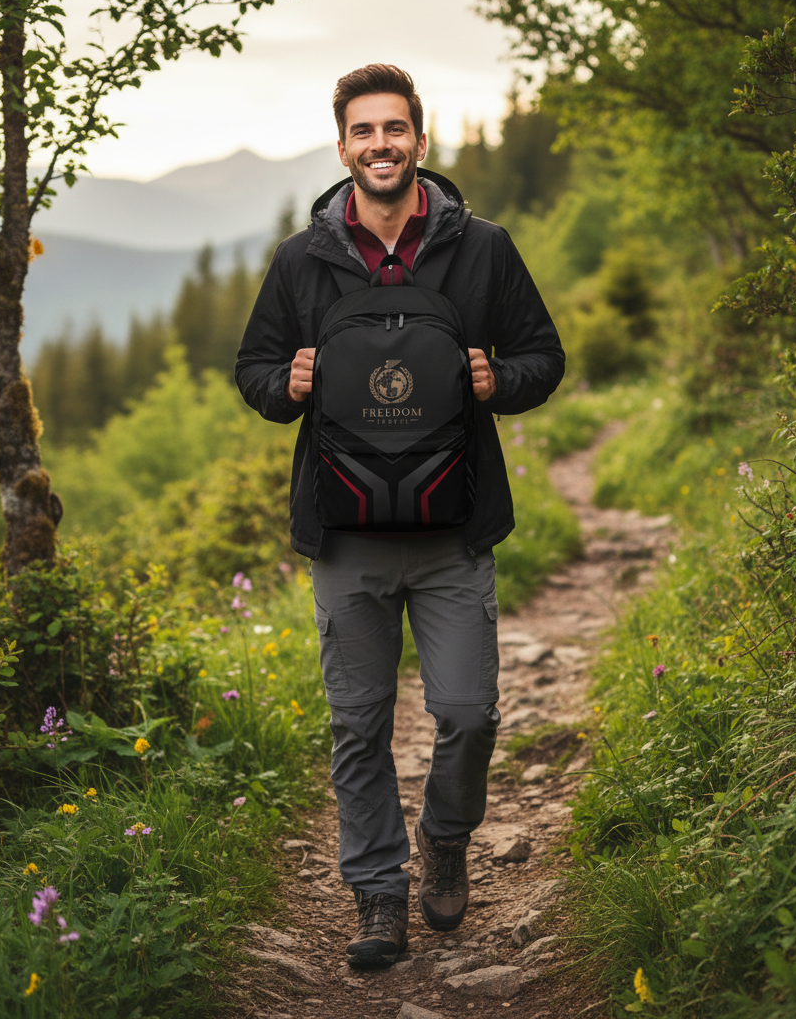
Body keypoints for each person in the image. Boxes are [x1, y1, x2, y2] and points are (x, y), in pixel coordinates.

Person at [235, 63, 564, 969]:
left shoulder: (482, 246)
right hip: (344, 537)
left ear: (420, 140)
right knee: (359, 722)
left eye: (395, 130)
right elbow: (254, 371)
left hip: (454, 532)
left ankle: (447, 838)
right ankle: (379, 896)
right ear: (342, 148)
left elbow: (544, 354)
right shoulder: (303, 260)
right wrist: (285, 385)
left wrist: (503, 380)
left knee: (469, 714)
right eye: (362, 133)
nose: (380, 146)